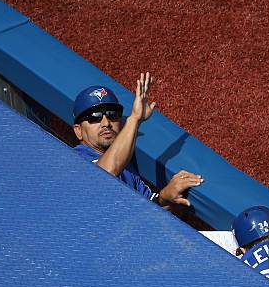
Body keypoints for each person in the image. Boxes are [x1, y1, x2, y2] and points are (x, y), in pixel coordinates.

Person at [73, 73, 203, 208]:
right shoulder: (73, 160)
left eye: (113, 115)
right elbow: (104, 175)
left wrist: (165, 196)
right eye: (95, 117)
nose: (106, 122)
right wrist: (135, 118)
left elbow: (148, 208)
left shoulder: (126, 165)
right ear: (78, 131)